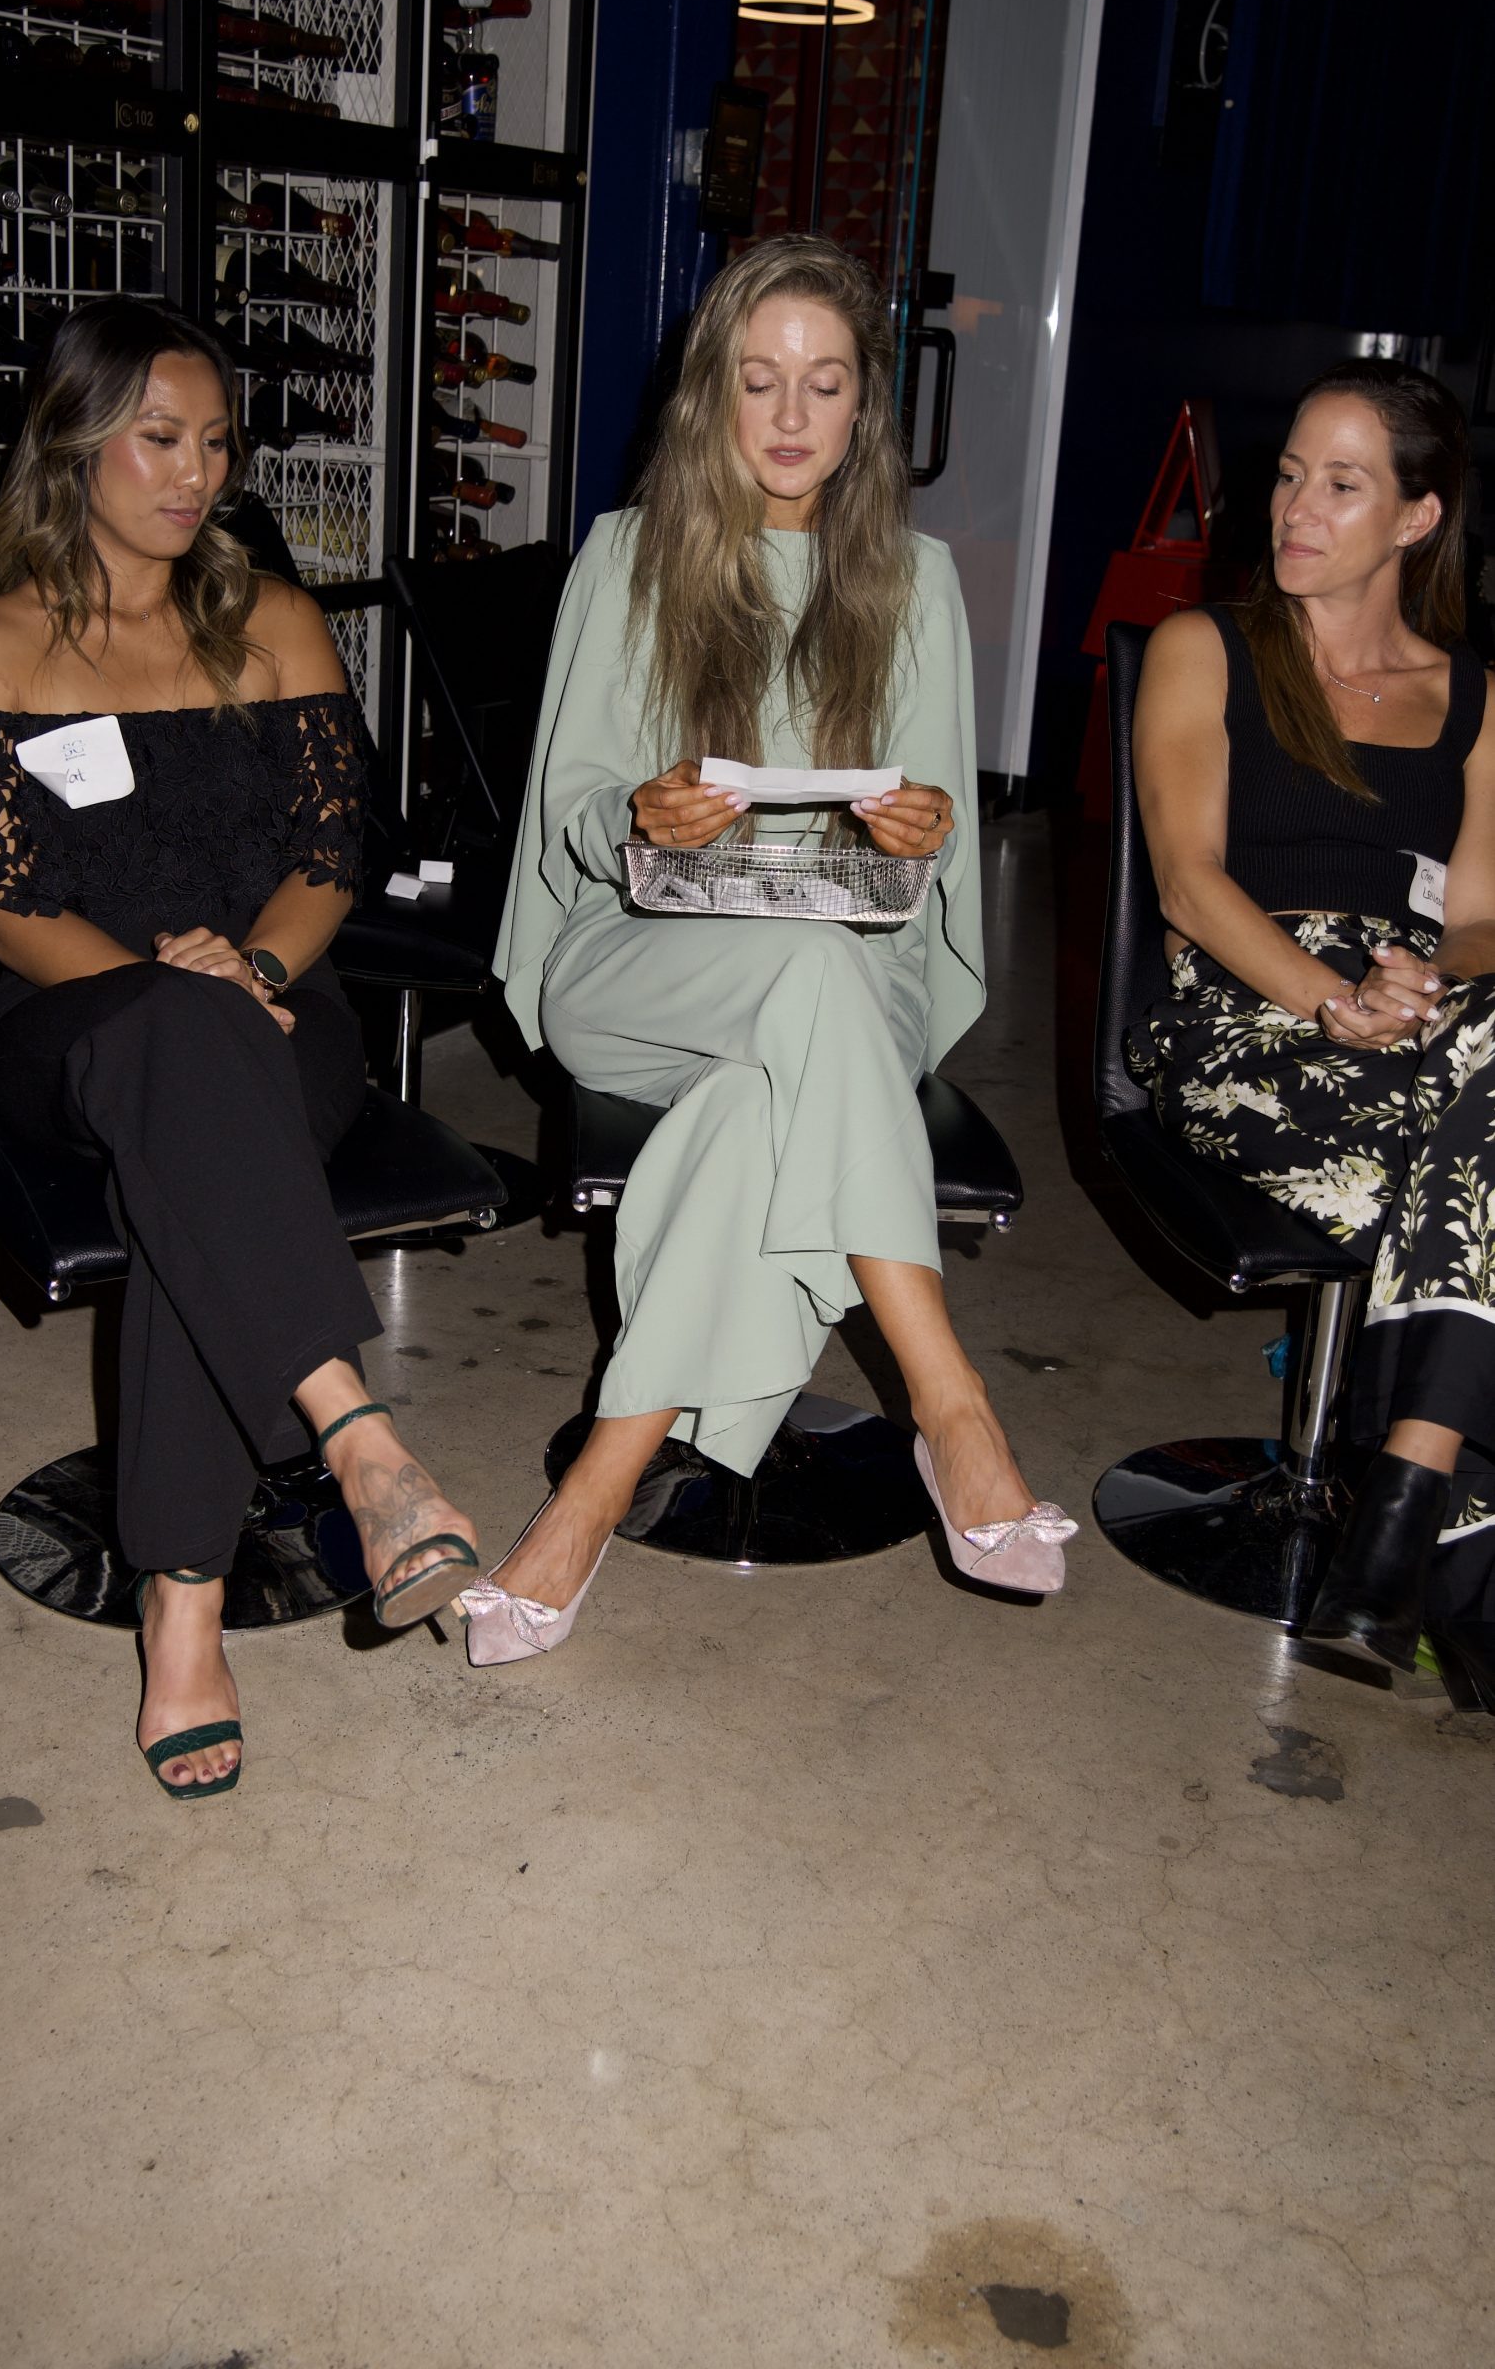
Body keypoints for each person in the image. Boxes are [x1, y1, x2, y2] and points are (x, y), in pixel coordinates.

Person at [464, 233, 1074, 1667]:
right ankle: (952, 1405)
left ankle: (591, 1493)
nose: (792, 416)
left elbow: (925, 867)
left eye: (826, 382)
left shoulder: (916, 581)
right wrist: (640, 811)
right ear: (711, 395)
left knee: (764, 1092)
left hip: (845, 968)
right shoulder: (626, 557)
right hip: (644, 959)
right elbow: (567, 812)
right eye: (759, 380)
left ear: (868, 406)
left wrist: (918, 833)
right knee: (808, 982)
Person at [0, 298, 480, 1797]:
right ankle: (360, 1441)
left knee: (197, 1156)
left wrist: (261, 975)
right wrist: (186, 1000)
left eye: (216, 443)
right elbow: (5, 910)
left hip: (282, 1013)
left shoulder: (274, 622)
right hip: (73, 1026)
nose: (196, 473)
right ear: (74, 442)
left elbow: (330, 854)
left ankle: (185, 1612)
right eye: (160, 438)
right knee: (182, 1064)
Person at [1129, 357, 1495, 1701]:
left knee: (1478, 1118)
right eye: (1290, 475)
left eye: (1341, 484)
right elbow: (1188, 884)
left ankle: (1401, 1513)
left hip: (1426, 1020)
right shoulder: (1207, 648)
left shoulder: (1477, 696)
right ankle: (1432, 1530)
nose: (1294, 508)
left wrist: (1425, 978)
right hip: (1250, 1013)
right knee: (1480, 1174)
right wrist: (1332, 997)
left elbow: (1483, 917)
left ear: (1417, 516)